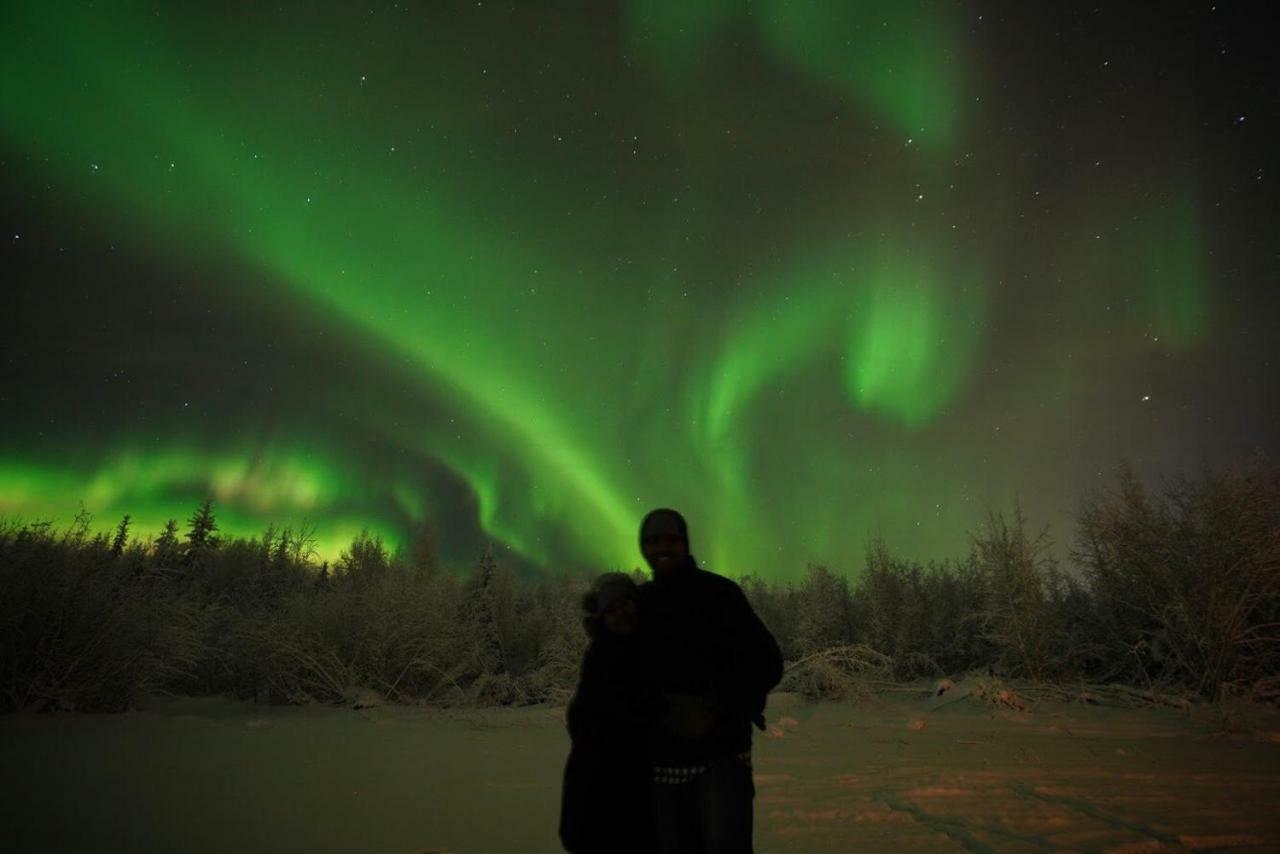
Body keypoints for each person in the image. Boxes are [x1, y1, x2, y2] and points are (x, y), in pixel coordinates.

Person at [637, 508, 783, 854]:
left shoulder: (721, 595)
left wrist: (714, 708)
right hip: (661, 769)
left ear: (685, 543)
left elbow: (767, 662)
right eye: (653, 541)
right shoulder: (639, 605)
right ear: (643, 547)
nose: (662, 548)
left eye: (670, 539)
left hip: (720, 762)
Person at [559, 572, 662, 853]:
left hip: (642, 796)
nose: (620, 615)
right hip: (598, 795)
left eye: (625, 604)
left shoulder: (653, 651)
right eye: (611, 610)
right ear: (602, 616)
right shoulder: (598, 657)